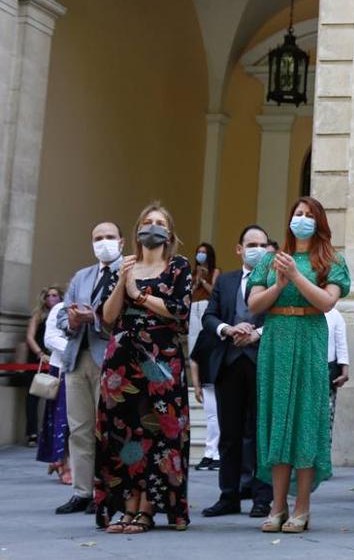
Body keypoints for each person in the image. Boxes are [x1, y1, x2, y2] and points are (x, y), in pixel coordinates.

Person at [247, 197, 351, 533]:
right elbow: (253, 305)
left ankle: (302, 507)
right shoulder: (269, 260)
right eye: (297, 214)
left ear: (319, 222)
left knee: (305, 420)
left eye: (308, 215)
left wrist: (295, 276)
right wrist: (279, 283)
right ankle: (277, 506)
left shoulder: (330, 260)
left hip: (309, 337)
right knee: (279, 420)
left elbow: (326, 301)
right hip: (276, 338)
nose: (301, 219)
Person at [95, 202, 193, 533]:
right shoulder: (124, 266)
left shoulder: (178, 266)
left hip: (161, 360)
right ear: (138, 230)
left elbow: (180, 310)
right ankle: (126, 507)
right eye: (147, 222)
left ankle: (148, 509)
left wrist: (139, 295)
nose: (153, 226)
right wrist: (124, 282)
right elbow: (108, 317)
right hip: (121, 361)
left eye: (159, 222)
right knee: (123, 432)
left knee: (157, 432)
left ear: (169, 232)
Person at [199, 225, 274, 519]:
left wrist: (257, 332)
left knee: (259, 433)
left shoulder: (274, 280)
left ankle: (261, 498)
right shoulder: (226, 281)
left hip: (260, 361)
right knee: (228, 434)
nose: (256, 248)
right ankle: (228, 495)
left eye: (261, 244)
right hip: (228, 362)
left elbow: (280, 319)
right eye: (251, 244)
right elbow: (209, 315)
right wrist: (227, 329)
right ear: (239, 249)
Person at [54, 221, 123, 515]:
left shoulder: (126, 273)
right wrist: (71, 320)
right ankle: (81, 491)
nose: (103, 242)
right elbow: (61, 316)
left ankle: (106, 490)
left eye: (109, 237)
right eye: (98, 238)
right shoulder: (81, 277)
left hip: (109, 359)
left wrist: (93, 318)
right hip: (77, 358)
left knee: (107, 429)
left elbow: (123, 319)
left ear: (121, 242)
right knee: (80, 428)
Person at [189, 242, 221, 471]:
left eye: (203, 252)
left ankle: (214, 453)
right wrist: (194, 281)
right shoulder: (191, 272)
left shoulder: (216, 273)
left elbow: (214, 293)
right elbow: (187, 295)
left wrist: (203, 281)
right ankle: (212, 453)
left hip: (206, 305)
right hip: (194, 308)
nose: (200, 255)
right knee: (196, 343)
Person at [36, 296, 72, 485]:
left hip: (90, 368)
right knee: (62, 420)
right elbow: (50, 339)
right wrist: (76, 348)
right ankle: (62, 462)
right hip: (63, 369)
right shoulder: (60, 307)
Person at [24, 286, 63, 448]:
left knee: (55, 396)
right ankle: (32, 433)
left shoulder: (64, 312)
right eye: (49, 295)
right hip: (38, 359)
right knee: (33, 397)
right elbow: (30, 337)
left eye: (55, 295)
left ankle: (52, 433)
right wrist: (40, 354)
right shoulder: (38, 315)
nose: (52, 298)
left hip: (56, 359)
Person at [326, 307, 350, 427]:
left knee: (326, 417)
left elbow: (341, 345)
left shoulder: (334, 315)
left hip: (328, 372)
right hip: (305, 373)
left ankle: (325, 445)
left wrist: (344, 371)